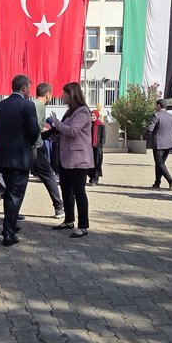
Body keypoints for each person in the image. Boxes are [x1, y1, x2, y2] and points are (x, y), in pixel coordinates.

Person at [0, 75, 41, 246]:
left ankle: (11, 224)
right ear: (24, 88)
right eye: (29, 88)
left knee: (10, 193)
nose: (30, 91)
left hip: (2, 156)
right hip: (19, 157)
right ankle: (8, 233)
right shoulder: (28, 106)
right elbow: (34, 131)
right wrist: (29, 143)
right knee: (15, 195)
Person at [49, 83, 94, 238]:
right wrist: (55, 135)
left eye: (64, 94)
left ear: (72, 94)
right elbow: (65, 132)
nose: (62, 96)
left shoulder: (82, 111)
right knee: (66, 189)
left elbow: (73, 131)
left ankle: (83, 226)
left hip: (79, 159)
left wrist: (57, 123)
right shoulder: (69, 112)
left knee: (79, 191)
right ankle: (69, 220)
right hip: (66, 158)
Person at [30, 82, 66, 218]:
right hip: (35, 148)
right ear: (48, 95)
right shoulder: (39, 106)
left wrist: (49, 132)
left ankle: (12, 213)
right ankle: (59, 207)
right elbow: (36, 130)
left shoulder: (32, 105)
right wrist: (51, 131)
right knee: (49, 176)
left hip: (27, 147)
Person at [146, 99, 172, 190]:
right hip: (169, 143)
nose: (155, 107)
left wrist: (144, 136)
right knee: (160, 163)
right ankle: (157, 183)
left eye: (155, 105)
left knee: (159, 163)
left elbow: (150, 128)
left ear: (159, 106)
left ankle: (170, 181)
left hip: (158, 143)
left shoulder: (156, 115)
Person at [88, 109, 106, 186]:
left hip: (97, 148)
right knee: (90, 164)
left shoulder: (101, 125)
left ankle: (95, 179)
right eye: (91, 116)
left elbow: (103, 137)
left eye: (94, 116)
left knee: (97, 163)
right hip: (90, 148)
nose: (93, 117)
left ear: (97, 116)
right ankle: (91, 178)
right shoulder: (89, 125)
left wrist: (100, 145)